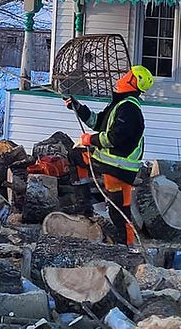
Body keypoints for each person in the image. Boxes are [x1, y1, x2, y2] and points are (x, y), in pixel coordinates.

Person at [65, 65, 154, 245]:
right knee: (76, 156)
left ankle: (128, 247)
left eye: (128, 75)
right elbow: (98, 123)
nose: (123, 76)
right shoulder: (120, 104)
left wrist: (90, 140)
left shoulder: (129, 109)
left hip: (119, 167)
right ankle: (85, 208)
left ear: (133, 82)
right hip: (110, 163)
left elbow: (115, 138)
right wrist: (79, 108)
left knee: (119, 210)